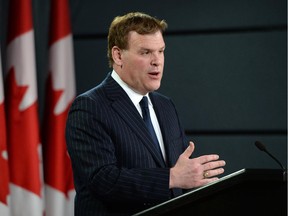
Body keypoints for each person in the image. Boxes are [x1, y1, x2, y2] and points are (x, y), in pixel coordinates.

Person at [65, 11, 226, 216]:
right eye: (146, 52)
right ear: (118, 55)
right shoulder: (90, 107)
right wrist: (171, 178)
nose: (157, 61)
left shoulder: (165, 106)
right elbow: (103, 179)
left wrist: (197, 180)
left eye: (161, 51)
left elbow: (180, 175)